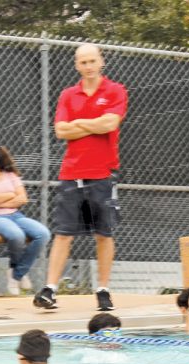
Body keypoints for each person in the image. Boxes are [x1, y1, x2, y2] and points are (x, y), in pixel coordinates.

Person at [34, 44, 128, 313]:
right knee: (63, 234)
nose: (88, 66)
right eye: (82, 62)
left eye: (92, 61)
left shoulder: (115, 90)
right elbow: (61, 130)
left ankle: (103, 290)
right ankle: (50, 289)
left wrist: (80, 124)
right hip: (71, 173)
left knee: (104, 233)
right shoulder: (68, 95)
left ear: (102, 62)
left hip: (103, 173)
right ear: (76, 65)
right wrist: (93, 123)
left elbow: (110, 124)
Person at [0, 143, 50, 296]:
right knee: (16, 235)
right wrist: (10, 195)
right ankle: (19, 273)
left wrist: (0, 200)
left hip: (15, 216)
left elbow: (23, 198)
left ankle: (16, 273)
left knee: (43, 234)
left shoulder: (10, 175)